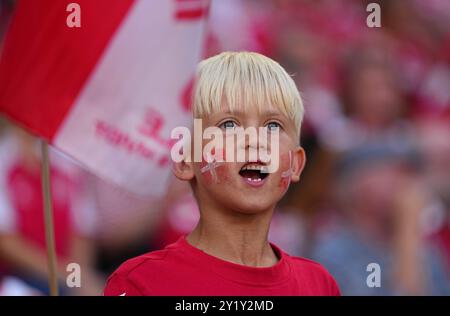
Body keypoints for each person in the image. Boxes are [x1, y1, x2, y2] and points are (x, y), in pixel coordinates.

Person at [104, 51, 340, 296]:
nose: (255, 140)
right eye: (229, 124)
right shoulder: (139, 283)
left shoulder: (319, 285)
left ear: (296, 164)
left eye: (273, 126)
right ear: (185, 159)